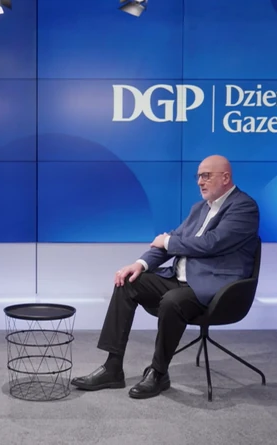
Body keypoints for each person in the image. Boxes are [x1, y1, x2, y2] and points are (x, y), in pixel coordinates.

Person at [70, 155, 259, 399]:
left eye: (206, 176)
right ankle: (112, 368)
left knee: (172, 300)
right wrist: (140, 264)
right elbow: (171, 241)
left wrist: (168, 241)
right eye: (198, 176)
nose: (200, 181)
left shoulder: (244, 207)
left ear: (225, 177)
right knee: (128, 282)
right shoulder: (199, 208)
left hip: (214, 288)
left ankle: (159, 373)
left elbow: (211, 243)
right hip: (180, 279)